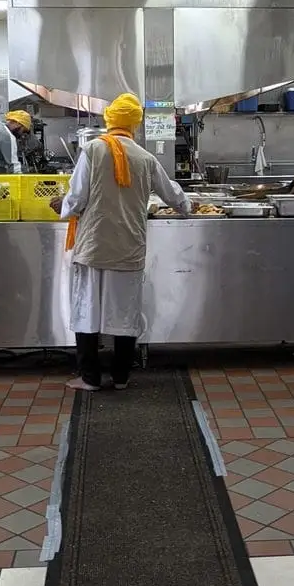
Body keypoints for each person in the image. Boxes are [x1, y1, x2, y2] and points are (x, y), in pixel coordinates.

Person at [62, 92, 189, 390]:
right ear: (135, 125)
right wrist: (187, 208)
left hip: (94, 244)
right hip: (129, 245)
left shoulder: (93, 149)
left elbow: (77, 197)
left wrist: (64, 208)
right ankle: (121, 377)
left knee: (88, 309)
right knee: (125, 311)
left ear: (109, 121)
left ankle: (90, 377)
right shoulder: (144, 157)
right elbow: (171, 193)